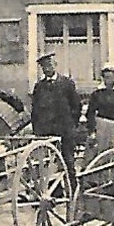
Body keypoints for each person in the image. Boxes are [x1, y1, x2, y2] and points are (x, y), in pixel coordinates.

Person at [30, 53, 81, 189]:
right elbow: (35, 110)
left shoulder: (67, 83)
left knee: (68, 161)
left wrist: (71, 126)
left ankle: (73, 190)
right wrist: (37, 130)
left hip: (65, 131)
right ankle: (54, 192)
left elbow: (76, 106)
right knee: (48, 164)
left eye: (50, 65)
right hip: (46, 132)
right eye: (44, 66)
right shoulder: (39, 87)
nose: (47, 69)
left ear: (55, 65)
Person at [85, 64, 114, 154]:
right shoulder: (97, 94)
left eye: (110, 77)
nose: (108, 80)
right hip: (102, 126)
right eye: (106, 77)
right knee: (102, 152)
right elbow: (90, 112)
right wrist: (92, 131)